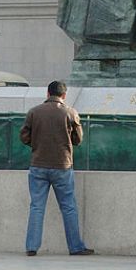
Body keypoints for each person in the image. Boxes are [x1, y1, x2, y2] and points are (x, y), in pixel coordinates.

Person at [19, 80, 94, 257]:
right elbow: (78, 140)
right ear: (64, 95)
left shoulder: (34, 112)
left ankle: (32, 247)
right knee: (68, 207)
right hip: (63, 165)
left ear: (47, 93)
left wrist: (36, 145)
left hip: (38, 164)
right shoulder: (70, 112)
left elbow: (24, 136)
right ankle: (75, 247)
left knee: (37, 207)